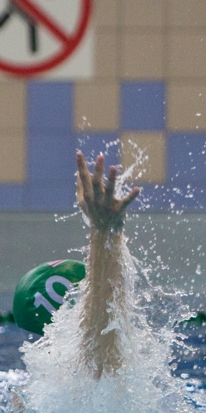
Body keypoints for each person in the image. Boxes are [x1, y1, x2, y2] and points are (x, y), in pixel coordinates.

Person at [74, 150, 140, 379]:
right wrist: (105, 232)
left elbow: (96, 367)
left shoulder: (26, 400)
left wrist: (102, 232)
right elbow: (103, 368)